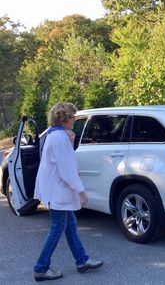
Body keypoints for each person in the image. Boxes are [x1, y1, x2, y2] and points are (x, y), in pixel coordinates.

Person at [33, 102, 103, 281]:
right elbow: (66, 169)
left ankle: (82, 260)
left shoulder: (56, 135)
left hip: (57, 188)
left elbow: (65, 162)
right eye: (72, 117)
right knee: (58, 227)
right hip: (58, 189)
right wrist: (81, 191)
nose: (74, 120)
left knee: (69, 225)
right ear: (64, 119)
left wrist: (70, 140)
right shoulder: (59, 138)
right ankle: (41, 267)